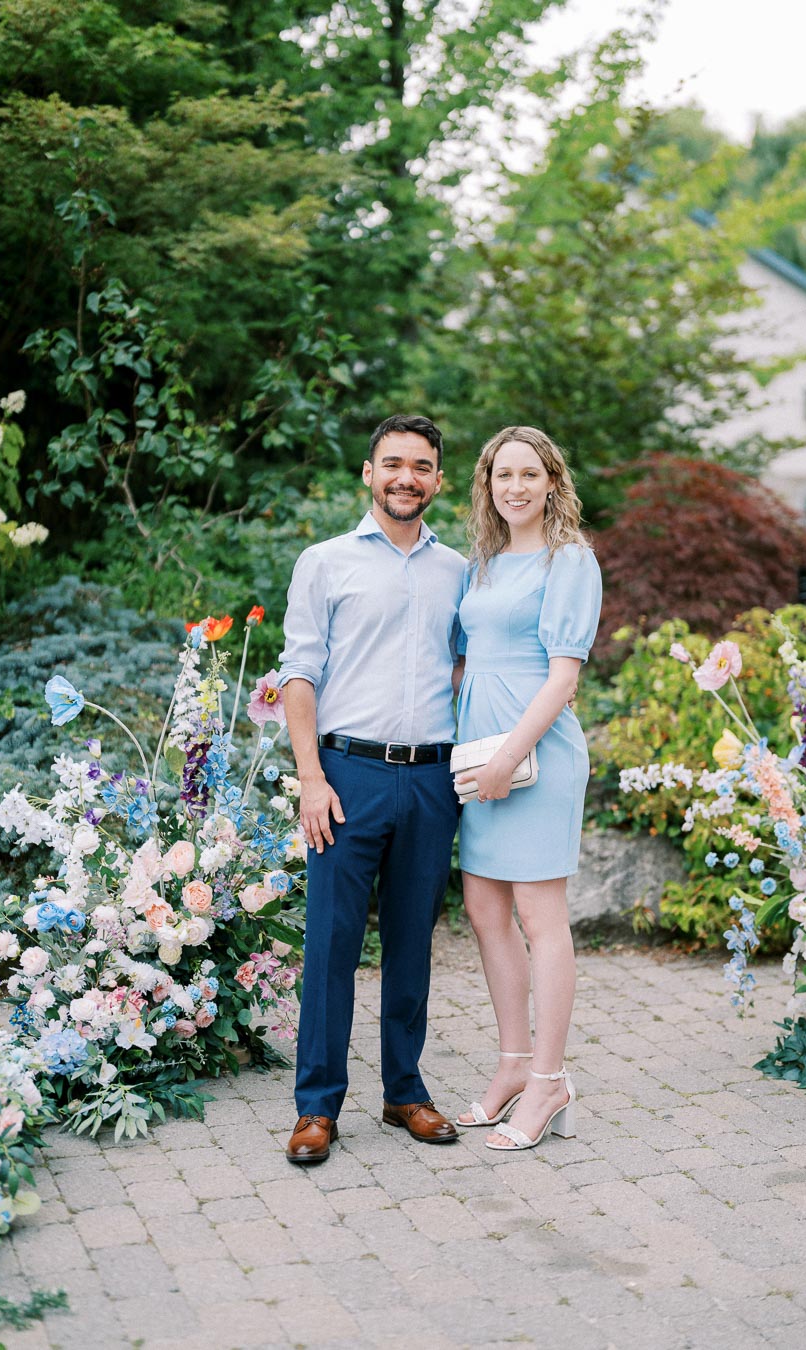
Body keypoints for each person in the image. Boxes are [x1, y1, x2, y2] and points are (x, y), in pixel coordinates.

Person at [279, 413, 466, 1164]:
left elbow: (467, 667)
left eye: (421, 467)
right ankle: (317, 1107)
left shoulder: (459, 571)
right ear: (368, 473)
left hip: (431, 778)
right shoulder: (324, 562)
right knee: (331, 944)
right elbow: (299, 674)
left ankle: (404, 1093)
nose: (405, 478)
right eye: (393, 464)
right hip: (346, 776)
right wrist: (311, 779)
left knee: (412, 944)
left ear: (438, 481)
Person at [453, 425, 602, 1153]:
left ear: (551, 483)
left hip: (535, 756)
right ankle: (513, 1064)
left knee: (542, 917)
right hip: (478, 757)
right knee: (484, 909)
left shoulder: (569, 559)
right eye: (501, 475)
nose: (514, 487)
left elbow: (563, 676)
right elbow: (464, 661)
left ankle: (549, 1080)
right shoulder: (480, 564)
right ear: (487, 485)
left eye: (528, 474)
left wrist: (509, 756)